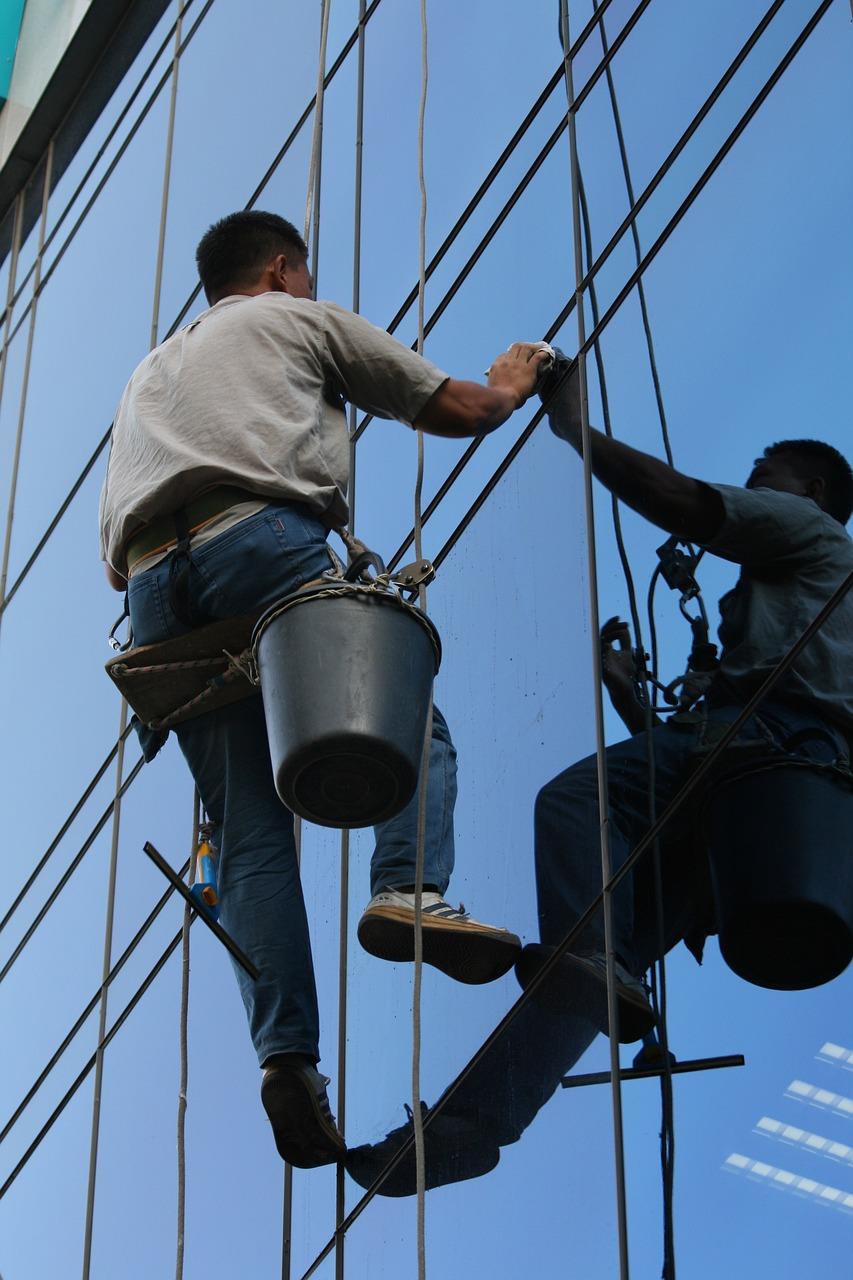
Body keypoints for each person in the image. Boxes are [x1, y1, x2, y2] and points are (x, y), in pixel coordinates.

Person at [98, 211, 550, 1169]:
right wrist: (512, 380)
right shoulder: (294, 320)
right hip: (258, 539)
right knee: (407, 722)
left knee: (247, 834)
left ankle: (286, 1059)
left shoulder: (148, 377)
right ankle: (408, 891)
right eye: (303, 274)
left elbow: (111, 546)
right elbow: (458, 409)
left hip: (152, 592)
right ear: (280, 269)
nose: (307, 286)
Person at [347, 349, 853, 1196]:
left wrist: (575, 429)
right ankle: (473, 1126)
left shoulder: (809, 532)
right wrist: (627, 697)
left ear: (810, 492)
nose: (753, 493)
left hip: (759, 753)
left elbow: (683, 501)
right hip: (757, 794)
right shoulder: (802, 594)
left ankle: (586, 966)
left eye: (764, 482)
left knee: (574, 805)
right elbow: (694, 762)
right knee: (595, 974)